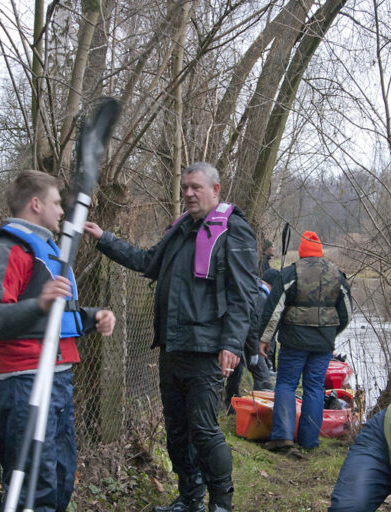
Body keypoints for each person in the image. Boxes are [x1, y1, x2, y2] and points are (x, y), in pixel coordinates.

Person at [84, 162, 258, 512]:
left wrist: (231, 343)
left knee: (204, 430)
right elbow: (147, 261)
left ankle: (220, 504)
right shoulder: (180, 230)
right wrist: (105, 239)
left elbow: (244, 294)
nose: (189, 194)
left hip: (206, 349)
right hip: (172, 346)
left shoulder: (233, 231)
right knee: (177, 431)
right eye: (185, 188)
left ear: (215, 189)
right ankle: (190, 499)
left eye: (196, 187)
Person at [0, 170, 116, 512]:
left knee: (61, 479)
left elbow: (53, 317)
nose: (62, 211)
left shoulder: (49, 250)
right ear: (36, 204)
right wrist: (39, 304)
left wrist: (93, 317)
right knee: (34, 490)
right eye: (56, 203)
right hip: (25, 383)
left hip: (59, 379)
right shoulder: (6, 250)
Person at [258, 230, 352, 452]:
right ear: (319, 252)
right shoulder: (337, 276)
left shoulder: (290, 273)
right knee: (315, 388)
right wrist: (331, 333)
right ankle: (309, 441)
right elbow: (347, 314)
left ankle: (282, 437)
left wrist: (265, 338)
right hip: (323, 344)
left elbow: (274, 310)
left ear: (302, 252)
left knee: (286, 384)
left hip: (293, 341)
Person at [224, 278, 273, 412]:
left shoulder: (250, 287)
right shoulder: (262, 296)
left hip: (237, 336)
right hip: (247, 340)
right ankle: (261, 409)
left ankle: (231, 403)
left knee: (236, 371)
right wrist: (254, 351)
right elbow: (253, 324)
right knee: (262, 375)